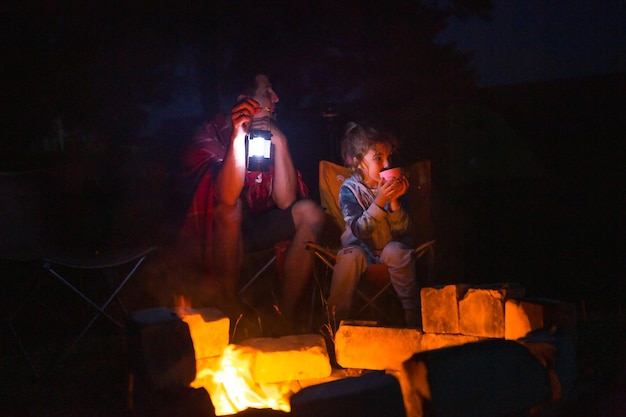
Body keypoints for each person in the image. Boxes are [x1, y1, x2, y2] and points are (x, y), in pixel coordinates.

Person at [177, 70, 325, 331]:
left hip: (258, 228)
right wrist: (238, 135)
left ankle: (286, 319)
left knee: (310, 213)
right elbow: (226, 195)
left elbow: (286, 200)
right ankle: (229, 312)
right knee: (231, 210)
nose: (276, 98)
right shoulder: (210, 134)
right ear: (245, 100)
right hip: (215, 234)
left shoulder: (271, 132)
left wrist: (281, 140)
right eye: (267, 92)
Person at [326, 122, 420, 327]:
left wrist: (394, 201)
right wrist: (379, 200)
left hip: (387, 249)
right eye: (378, 158)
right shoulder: (349, 189)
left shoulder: (392, 185)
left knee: (398, 250)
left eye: (389, 157)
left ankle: (412, 314)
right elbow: (359, 230)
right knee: (349, 257)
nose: (387, 165)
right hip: (360, 250)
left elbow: (403, 230)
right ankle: (335, 319)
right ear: (358, 161)